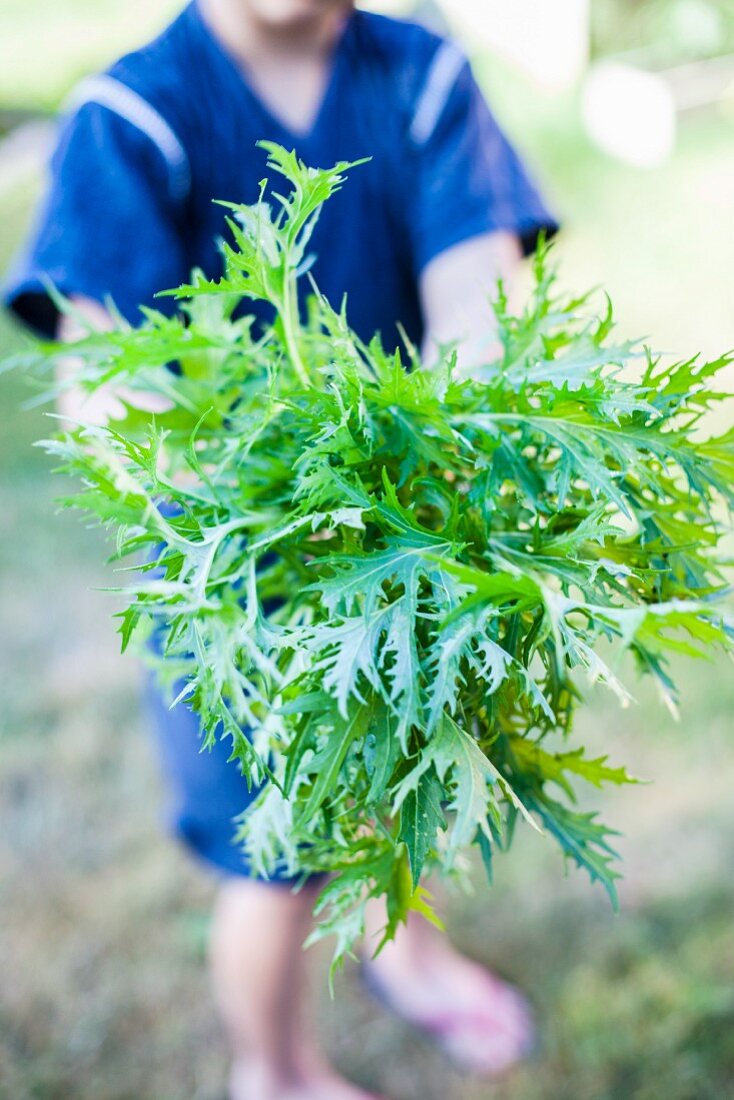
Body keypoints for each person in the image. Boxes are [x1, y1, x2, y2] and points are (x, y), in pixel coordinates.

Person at [4, 2, 558, 1097]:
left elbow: (473, 294)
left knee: (397, 787)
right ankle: (277, 1066)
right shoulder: (134, 114)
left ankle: (409, 949)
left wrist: (452, 423)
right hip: (230, 592)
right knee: (277, 858)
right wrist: (238, 504)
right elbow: (107, 381)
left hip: (399, 542)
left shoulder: (422, 77)